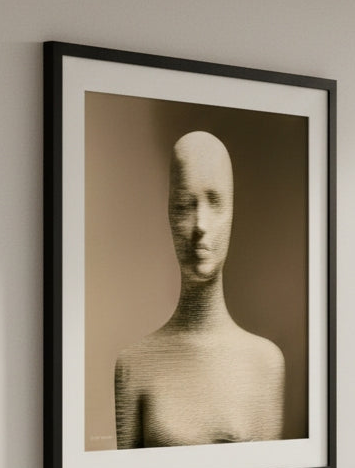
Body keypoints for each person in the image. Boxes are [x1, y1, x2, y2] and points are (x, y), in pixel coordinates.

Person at [114, 130, 285, 448]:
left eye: (215, 202)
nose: (200, 225)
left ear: (232, 212)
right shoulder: (134, 365)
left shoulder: (264, 362)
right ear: (168, 215)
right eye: (183, 205)